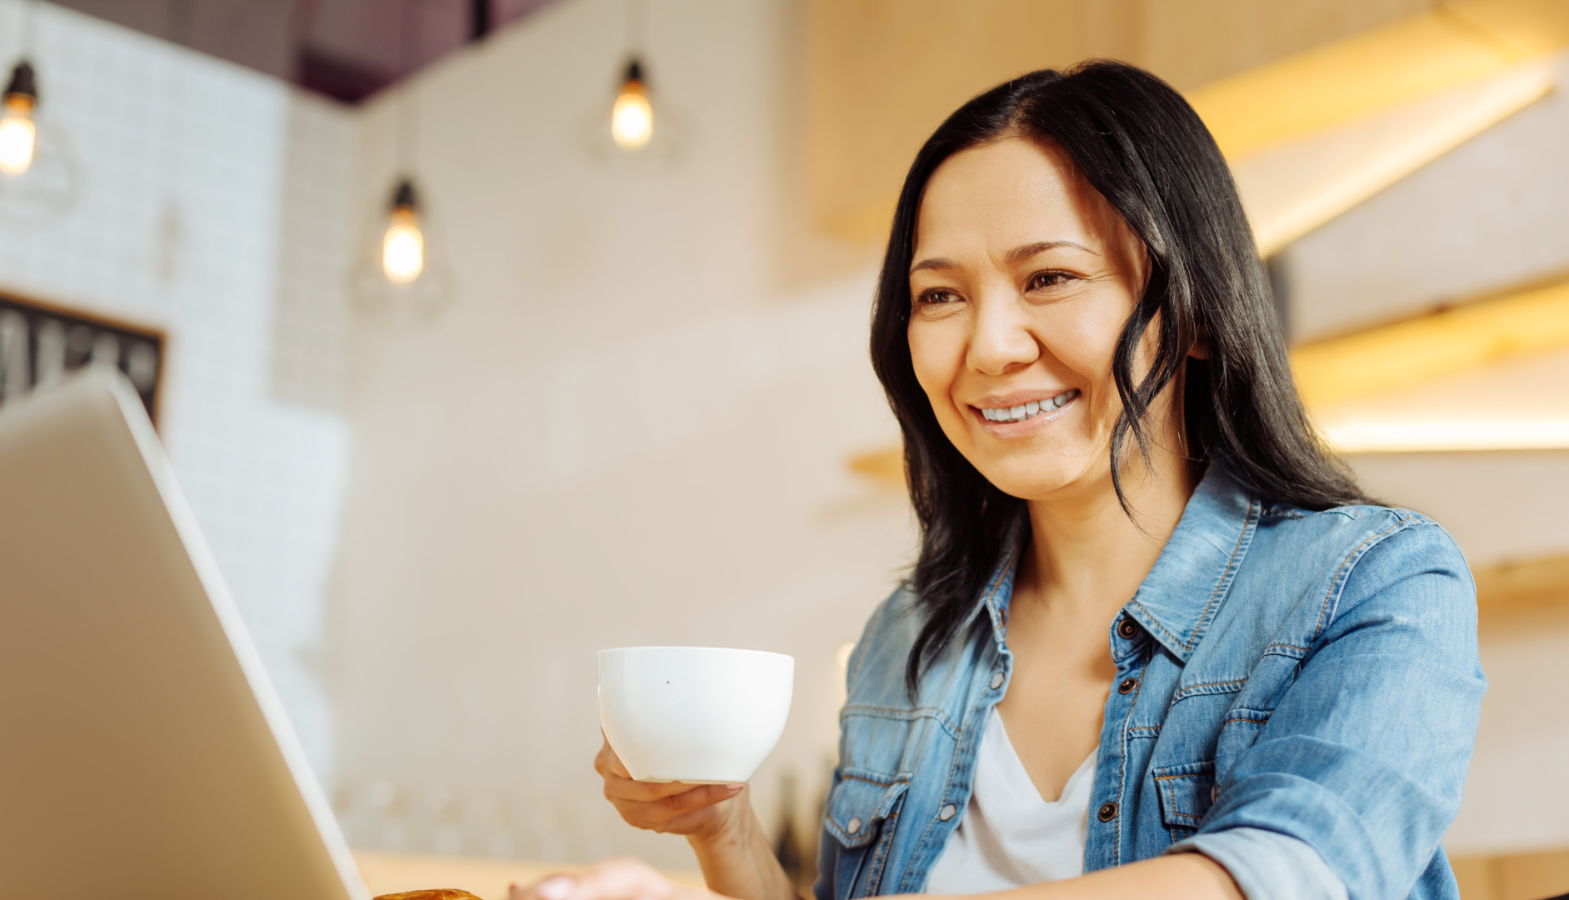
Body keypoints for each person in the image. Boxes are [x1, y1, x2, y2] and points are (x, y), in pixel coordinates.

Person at [517, 61, 1485, 900]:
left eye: (1049, 278)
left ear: (1192, 315)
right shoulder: (909, 638)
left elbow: (1283, 878)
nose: (986, 346)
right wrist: (719, 831)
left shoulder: (1375, 585)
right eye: (939, 295)